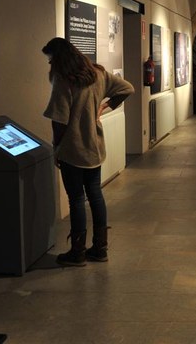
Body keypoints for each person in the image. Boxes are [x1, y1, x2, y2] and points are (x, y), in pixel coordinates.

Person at [42, 37, 135, 266]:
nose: (49, 64)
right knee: (95, 195)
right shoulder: (97, 74)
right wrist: (105, 105)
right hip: (94, 146)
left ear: (58, 59)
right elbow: (127, 88)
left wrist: (56, 147)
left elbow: (59, 120)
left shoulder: (62, 79)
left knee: (76, 200)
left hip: (73, 149)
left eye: (50, 59)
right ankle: (100, 248)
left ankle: (77, 252)